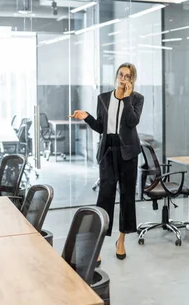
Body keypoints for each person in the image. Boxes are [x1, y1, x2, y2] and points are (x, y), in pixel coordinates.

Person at [70, 62, 144, 262]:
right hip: (108, 150)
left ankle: (121, 240)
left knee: (127, 196)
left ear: (132, 79)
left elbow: (132, 122)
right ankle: (99, 242)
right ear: (116, 76)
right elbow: (101, 127)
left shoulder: (137, 99)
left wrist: (127, 98)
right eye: (121, 74)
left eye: (127, 76)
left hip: (128, 152)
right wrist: (87, 117)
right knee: (105, 196)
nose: (123, 78)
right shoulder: (103, 98)